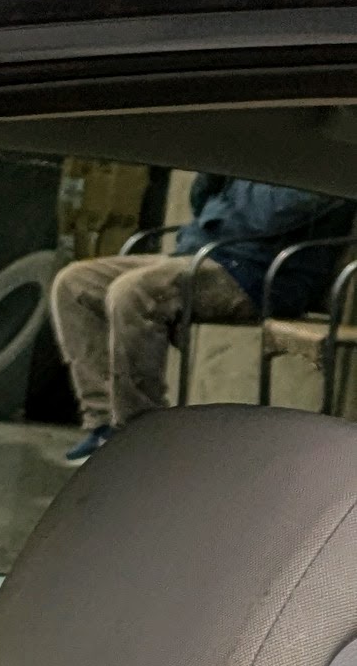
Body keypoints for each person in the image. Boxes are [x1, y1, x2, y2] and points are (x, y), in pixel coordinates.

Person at [49, 176, 356, 463]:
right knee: (75, 283)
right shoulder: (261, 152)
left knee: (135, 292)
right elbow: (200, 202)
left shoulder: (325, 157)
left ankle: (140, 432)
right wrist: (218, 179)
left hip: (263, 275)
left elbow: (270, 214)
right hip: (205, 253)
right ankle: (103, 424)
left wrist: (229, 187)